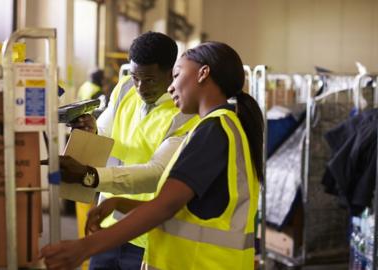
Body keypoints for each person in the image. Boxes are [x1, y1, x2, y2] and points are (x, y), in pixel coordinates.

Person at [41, 41, 264, 270]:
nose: (170, 87)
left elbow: (164, 206)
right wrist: (120, 203)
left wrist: (84, 247)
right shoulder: (224, 126)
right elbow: (183, 210)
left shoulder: (213, 131)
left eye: (176, 76)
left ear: (203, 74)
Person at [58, 31, 199, 269]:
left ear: (170, 73)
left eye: (150, 80)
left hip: (148, 233)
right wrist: (92, 131)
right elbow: (106, 135)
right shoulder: (125, 89)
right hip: (108, 223)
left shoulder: (184, 112)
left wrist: (89, 176)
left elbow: (156, 174)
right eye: (136, 77)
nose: (141, 87)